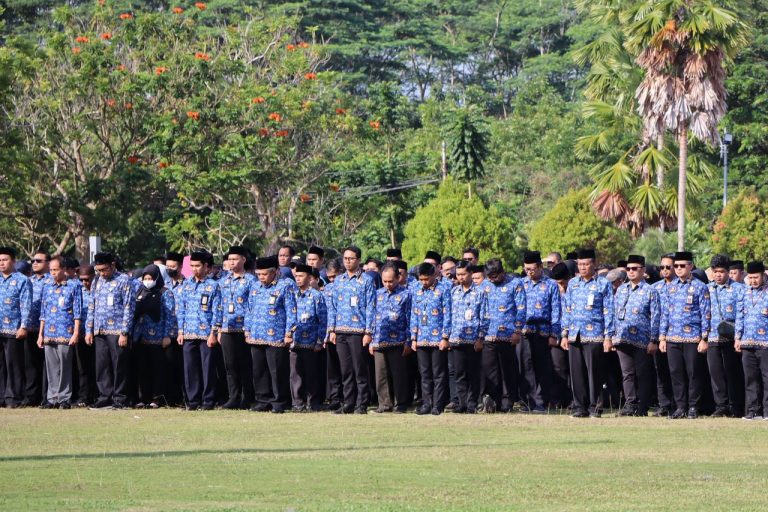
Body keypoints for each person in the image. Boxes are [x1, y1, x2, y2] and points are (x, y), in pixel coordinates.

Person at [560, 248, 615, 418]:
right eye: (580, 264)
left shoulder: (603, 284)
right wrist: (564, 333)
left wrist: (608, 336)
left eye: (586, 264)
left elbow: (609, 311)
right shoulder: (573, 284)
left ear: (594, 264)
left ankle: (594, 407)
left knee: (594, 373)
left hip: (595, 334)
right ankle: (579, 407)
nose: (583, 267)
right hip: (575, 334)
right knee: (576, 373)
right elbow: (567, 309)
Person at [659, 251, 711, 419]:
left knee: (693, 373)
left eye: (682, 266)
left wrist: (704, 338)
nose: (679, 269)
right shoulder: (670, 287)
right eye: (676, 266)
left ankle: (694, 407)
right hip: (673, 337)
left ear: (690, 266)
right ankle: (680, 407)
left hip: (693, 338)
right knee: (676, 373)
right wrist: (662, 337)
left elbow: (706, 314)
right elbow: (664, 314)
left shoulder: (700, 287)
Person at [607, 255, 660, 416]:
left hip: (643, 339)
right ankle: (630, 404)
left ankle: (642, 406)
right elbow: (614, 312)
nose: (631, 272)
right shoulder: (621, 289)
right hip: (622, 337)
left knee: (642, 373)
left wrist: (654, 340)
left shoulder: (651, 291)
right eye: (628, 269)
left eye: (634, 269)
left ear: (643, 270)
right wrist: (611, 336)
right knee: (627, 373)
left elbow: (656, 316)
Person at [327, 246, 375, 414]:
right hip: (340, 330)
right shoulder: (338, 281)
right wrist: (331, 329)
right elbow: (333, 306)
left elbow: (371, 307)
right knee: (346, 370)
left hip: (358, 331)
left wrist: (368, 332)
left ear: (359, 260)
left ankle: (362, 403)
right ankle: (348, 403)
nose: (347, 261)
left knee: (359, 369)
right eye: (345, 258)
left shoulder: (367, 280)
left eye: (351, 258)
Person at [245, 256, 297, 413]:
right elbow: (249, 309)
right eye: (258, 274)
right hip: (256, 335)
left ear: (275, 272)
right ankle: (262, 400)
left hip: (276, 336)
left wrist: (289, 332)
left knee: (277, 371)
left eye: (264, 274)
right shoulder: (255, 287)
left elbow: (291, 311)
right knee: (259, 370)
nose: (261, 277)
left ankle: (279, 401)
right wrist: (247, 329)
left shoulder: (285, 286)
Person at [85, 252, 136, 409]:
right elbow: (91, 305)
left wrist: (124, 332)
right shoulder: (97, 281)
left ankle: (120, 398)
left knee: (119, 365)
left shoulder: (124, 280)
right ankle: (104, 396)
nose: (102, 273)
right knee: (102, 366)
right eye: (98, 270)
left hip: (117, 331)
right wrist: (88, 329)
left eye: (104, 269)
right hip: (100, 330)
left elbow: (129, 307)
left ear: (113, 265)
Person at [176, 251, 222, 411]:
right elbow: (181, 308)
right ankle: (192, 401)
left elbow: (217, 310)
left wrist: (213, 333)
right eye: (192, 266)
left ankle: (208, 401)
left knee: (207, 368)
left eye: (197, 266)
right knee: (190, 369)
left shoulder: (214, 285)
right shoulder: (186, 285)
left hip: (206, 334)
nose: (194, 269)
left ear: (206, 267)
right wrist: (180, 332)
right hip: (188, 332)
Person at [36, 256, 82, 409]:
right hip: (49, 332)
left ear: (63, 269)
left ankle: (64, 398)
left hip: (66, 332)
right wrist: (40, 334)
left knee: (64, 367)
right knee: (52, 367)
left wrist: (76, 333)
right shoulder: (47, 286)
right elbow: (43, 312)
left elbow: (77, 312)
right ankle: (52, 397)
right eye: (51, 270)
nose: (53, 273)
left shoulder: (74, 286)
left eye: (55, 270)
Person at [482, 258, 526, 413]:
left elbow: (521, 309)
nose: (492, 279)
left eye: (495, 276)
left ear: (502, 272)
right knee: (490, 370)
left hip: (508, 335)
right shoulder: (485, 285)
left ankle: (508, 401)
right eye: (489, 277)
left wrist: (517, 331)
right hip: (489, 335)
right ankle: (493, 401)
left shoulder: (515, 284)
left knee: (508, 370)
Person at [519, 250, 561, 413]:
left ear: (540, 267)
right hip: (524, 331)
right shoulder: (521, 284)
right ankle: (527, 401)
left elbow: (556, 310)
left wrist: (554, 334)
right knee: (526, 367)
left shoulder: (551, 285)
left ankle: (541, 402)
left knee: (542, 368)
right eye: (526, 269)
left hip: (543, 331)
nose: (529, 272)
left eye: (532, 269)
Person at [217, 246, 257, 409]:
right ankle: (233, 396)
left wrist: (250, 329)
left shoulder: (251, 280)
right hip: (227, 328)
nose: (231, 262)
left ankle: (247, 397)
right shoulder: (223, 281)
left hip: (243, 329)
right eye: (229, 259)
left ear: (243, 260)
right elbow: (218, 306)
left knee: (245, 364)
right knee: (230, 365)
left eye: (235, 259)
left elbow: (252, 306)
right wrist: (217, 328)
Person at [706, 254, 745, 417]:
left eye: (721, 271)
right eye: (715, 271)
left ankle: (735, 406)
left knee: (733, 373)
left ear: (728, 272)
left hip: (731, 338)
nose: (718, 275)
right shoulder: (707, 288)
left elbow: (742, 314)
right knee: (716, 374)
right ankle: (721, 405)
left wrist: (739, 336)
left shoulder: (738, 289)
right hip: (713, 337)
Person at [133, 264, 177, 408]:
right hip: (142, 337)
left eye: (150, 278)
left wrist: (167, 336)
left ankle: (157, 398)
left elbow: (170, 316)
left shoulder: (165, 293)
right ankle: (143, 398)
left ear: (157, 278)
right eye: (145, 278)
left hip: (159, 338)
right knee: (143, 369)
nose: (147, 281)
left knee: (158, 370)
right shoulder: (140, 291)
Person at [410, 262, 451, 415]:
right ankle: (427, 403)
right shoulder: (416, 290)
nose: (424, 282)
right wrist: (413, 337)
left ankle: (438, 405)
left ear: (434, 275)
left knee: (438, 373)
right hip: (421, 338)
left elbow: (448, 314)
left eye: (426, 279)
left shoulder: (443, 290)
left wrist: (445, 337)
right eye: (421, 279)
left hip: (438, 339)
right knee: (425, 373)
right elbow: (414, 314)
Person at [370, 263, 411, 413]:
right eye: (385, 281)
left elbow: (410, 318)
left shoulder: (406, 294)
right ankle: (384, 404)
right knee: (381, 375)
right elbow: (372, 318)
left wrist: (408, 341)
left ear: (398, 278)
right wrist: (371, 340)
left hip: (398, 340)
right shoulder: (377, 294)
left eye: (391, 281)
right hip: (380, 340)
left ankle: (400, 404)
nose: (388, 284)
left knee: (398, 374)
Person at [448, 260, 487, 413]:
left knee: (473, 373)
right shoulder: (454, 292)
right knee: (459, 373)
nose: (461, 277)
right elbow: (449, 315)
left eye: (463, 274)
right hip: (457, 338)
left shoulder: (480, 292)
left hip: (473, 340)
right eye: (458, 274)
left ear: (471, 274)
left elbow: (484, 316)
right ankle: (461, 403)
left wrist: (480, 338)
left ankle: (472, 403)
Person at [735, 261, 768, 420]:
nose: (753, 280)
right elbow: (739, 316)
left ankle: (767, 412)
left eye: (756, 277)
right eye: (751, 277)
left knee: (767, 378)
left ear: (763, 275)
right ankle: (752, 411)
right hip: (747, 343)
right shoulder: (744, 292)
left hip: (765, 344)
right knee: (750, 379)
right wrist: (737, 337)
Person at [290, 264, 326, 412]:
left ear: (309, 277)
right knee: (295, 374)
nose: (298, 279)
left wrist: (319, 341)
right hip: (294, 340)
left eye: (301, 276)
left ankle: (313, 402)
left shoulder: (316, 296)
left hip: (311, 341)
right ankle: (297, 403)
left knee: (312, 373)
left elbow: (323, 320)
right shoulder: (292, 294)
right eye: (296, 276)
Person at [0, 247, 32, 408]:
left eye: (5, 260)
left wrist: (24, 326)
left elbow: (26, 305)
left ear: (13, 261)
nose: (1, 263)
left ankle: (14, 398)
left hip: (14, 328)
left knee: (13, 365)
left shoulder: (22, 280)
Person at [25, 250, 52, 406]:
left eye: (38, 260)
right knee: (30, 365)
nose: (34, 263)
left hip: (48, 330)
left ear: (48, 263)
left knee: (46, 366)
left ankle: (46, 397)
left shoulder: (51, 280)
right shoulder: (29, 281)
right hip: (30, 329)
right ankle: (30, 397)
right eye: (33, 261)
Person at [549, 262, 571, 408]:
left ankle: (574, 400)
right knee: (558, 368)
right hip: (556, 336)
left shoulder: (575, 290)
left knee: (574, 369)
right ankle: (559, 400)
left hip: (574, 335)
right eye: (558, 283)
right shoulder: (551, 291)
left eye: (563, 283)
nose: (561, 287)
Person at [74, 265, 96, 406]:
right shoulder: (78, 291)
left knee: (97, 367)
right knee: (82, 367)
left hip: (96, 335)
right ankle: (83, 397)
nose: (84, 283)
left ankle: (97, 395)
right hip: (80, 335)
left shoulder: (99, 290)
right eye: (81, 280)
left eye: (87, 280)